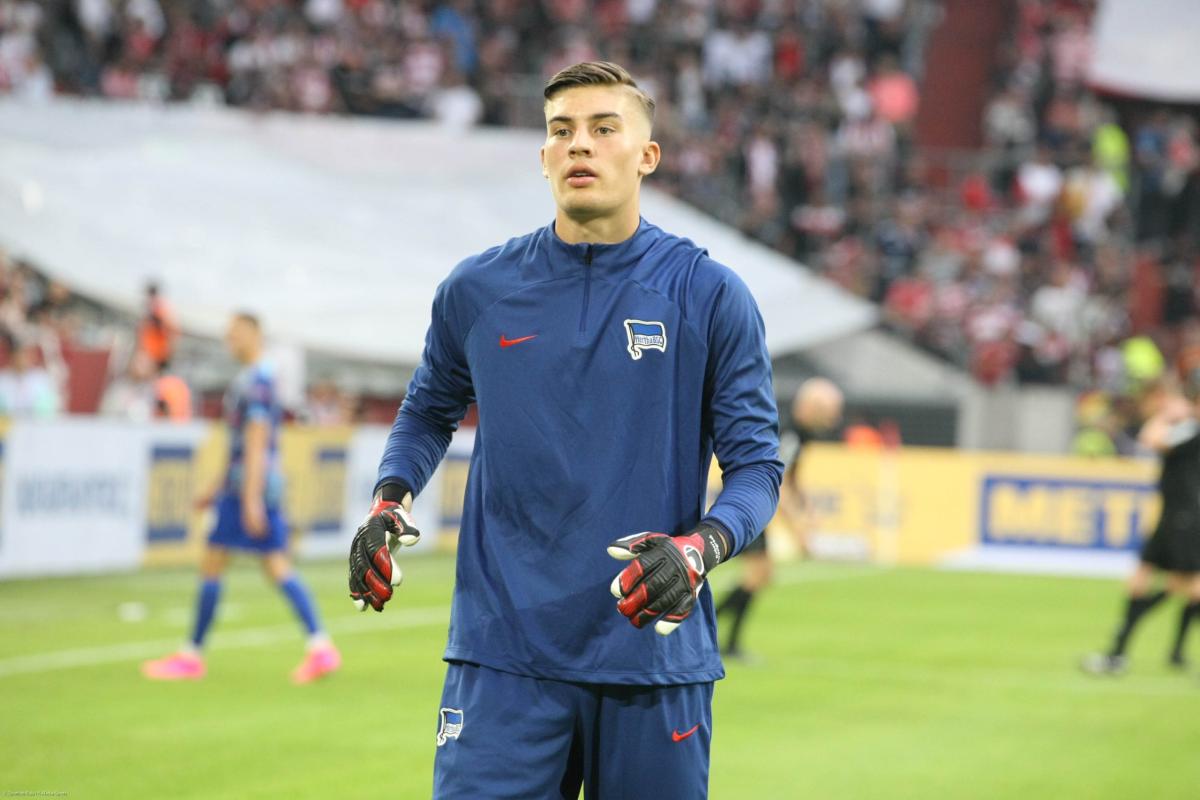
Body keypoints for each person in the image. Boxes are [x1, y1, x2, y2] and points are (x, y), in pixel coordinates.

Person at [347, 61, 782, 798]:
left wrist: (701, 548)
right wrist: (389, 501)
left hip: (652, 656)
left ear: (647, 156)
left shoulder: (708, 294)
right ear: (544, 156)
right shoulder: (476, 290)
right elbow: (426, 410)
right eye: (562, 131)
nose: (580, 144)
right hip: (502, 658)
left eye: (604, 129)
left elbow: (757, 467)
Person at [143, 313, 340, 683]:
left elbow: (255, 441)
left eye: (235, 334)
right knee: (272, 565)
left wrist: (249, 499)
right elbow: (241, 444)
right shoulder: (257, 379)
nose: (229, 341)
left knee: (219, 562)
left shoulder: (257, 382)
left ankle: (192, 656)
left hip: (247, 489)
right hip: (247, 486)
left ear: (254, 334)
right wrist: (213, 489)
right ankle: (320, 647)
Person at [715, 377, 843, 660]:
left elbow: (791, 478)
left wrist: (806, 507)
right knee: (758, 574)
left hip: (751, 503)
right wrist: (798, 529)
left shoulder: (800, 434)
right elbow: (778, 485)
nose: (833, 419)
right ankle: (713, 635)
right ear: (812, 407)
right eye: (829, 411)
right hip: (746, 503)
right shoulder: (788, 432)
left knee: (760, 576)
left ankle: (721, 640)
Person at [1082, 390, 1200, 674]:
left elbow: (1150, 438)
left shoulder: (1190, 429)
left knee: (1184, 586)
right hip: (1175, 514)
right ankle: (1127, 653)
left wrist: (1167, 415)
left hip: (1185, 517)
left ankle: (1123, 652)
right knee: (1144, 580)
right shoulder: (1188, 429)